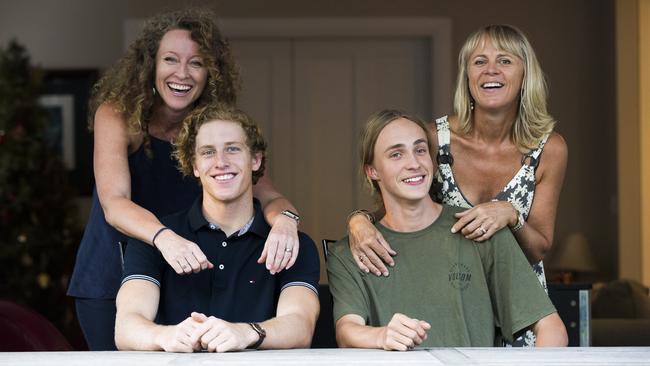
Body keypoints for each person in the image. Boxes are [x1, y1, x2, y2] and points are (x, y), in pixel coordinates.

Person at [67, 9, 302, 351]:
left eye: (196, 63)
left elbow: (267, 194)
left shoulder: (211, 129)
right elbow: (114, 204)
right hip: (112, 275)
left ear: (211, 73)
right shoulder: (118, 114)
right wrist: (165, 238)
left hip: (182, 276)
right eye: (170, 59)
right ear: (151, 65)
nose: (182, 73)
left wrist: (286, 221)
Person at [346, 24, 568, 347]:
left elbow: (538, 247)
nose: (490, 70)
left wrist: (510, 215)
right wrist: (357, 219)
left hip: (519, 306)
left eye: (504, 61)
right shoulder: (435, 139)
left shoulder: (549, 148)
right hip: (452, 304)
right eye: (479, 61)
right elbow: (396, 206)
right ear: (467, 75)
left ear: (525, 74)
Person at [327, 109, 567, 350]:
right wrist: (381, 337)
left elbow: (551, 328)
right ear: (372, 171)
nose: (414, 163)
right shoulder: (350, 253)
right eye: (396, 154)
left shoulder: (480, 230)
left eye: (420, 150)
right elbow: (347, 331)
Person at [115, 106, 320, 352]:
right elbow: (126, 326)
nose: (221, 162)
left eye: (232, 149)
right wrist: (166, 336)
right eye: (208, 152)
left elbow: (300, 326)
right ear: (195, 166)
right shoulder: (157, 239)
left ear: (255, 159)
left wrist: (245, 333)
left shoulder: (291, 243)